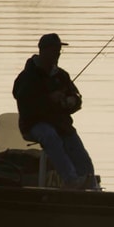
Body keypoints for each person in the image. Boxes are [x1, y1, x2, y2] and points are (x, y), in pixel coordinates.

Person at [12, 33, 98, 190]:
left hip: (61, 124)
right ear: (43, 51)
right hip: (34, 124)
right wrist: (49, 99)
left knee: (80, 152)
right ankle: (71, 180)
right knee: (50, 136)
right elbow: (25, 104)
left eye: (59, 50)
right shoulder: (27, 77)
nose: (58, 54)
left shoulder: (61, 76)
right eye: (54, 50)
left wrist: (71, 101)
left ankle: (91, 186)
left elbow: (76, 98)